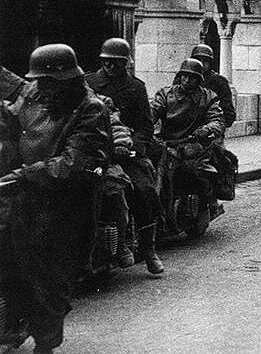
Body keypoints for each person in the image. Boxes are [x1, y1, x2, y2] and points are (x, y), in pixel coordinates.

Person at [0, 44, 112, 353]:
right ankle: (14, 325)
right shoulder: (35, 92)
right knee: (11, 268)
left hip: (64, 209)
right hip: (22, 202)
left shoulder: (91, 108)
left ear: (66, 79)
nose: (41, 88)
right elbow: (12, 113)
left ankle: (46, 344)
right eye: (38, 82)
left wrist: (24, 174)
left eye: (47, 82)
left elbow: (74, 165)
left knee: (49, 281)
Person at [85, 38, 164, 274]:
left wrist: (133, 147)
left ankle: (148, 249)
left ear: (125, 63)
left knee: (144, 189)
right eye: (107, 62)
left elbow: (145, 126)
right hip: (94, 150)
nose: (111, 67)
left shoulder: (136, 87)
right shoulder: (88, 83)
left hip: (126, 153)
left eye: (117, 63)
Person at [151, 58, 225, 232]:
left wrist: (205, 130)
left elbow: (217, 120)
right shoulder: (166, 93)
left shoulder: (208, 97)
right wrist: (146, 123)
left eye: (191, 77)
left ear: (199, 79)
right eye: (184, 76)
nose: (186, 80)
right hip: (166, 143)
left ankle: (205, 204)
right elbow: (153, 110)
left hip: (193, 144)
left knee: (196, 172)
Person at [181, 45, 236, 130]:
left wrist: (213, 127)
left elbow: (229, 115)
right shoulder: (183, 79)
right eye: (198, 60)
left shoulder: (219, 81)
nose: (202, 64)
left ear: (210, 63)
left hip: (210, 129)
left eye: (205, 61)